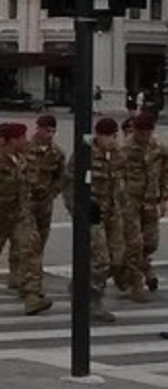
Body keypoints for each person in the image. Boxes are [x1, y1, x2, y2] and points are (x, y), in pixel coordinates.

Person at [0, 122, 52, 315]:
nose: (25, 141)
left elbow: (26, 184)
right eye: (21, 137)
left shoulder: (20, 158)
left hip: (20, 215)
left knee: (30, 249)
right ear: (10, 140)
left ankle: (32, 295)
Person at [63, 117, 125, 322]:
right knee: (101, 260)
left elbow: (120, 182)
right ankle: (93, 301)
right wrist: (79, 211)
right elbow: (69, 186)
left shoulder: (116, 154)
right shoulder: (84, 154)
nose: (113, 140)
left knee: (118, 257)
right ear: (100, 135)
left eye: (115, 136)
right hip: (91, 215)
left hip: (112, 213)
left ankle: (80, 282)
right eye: (110, 136)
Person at [11, 115, 65, 292]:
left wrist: (52, 193)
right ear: (38, 129)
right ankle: (18, 274)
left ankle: (34, 270)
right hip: (25, 202)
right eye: (46, 130)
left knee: (41, 238)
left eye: (52, 131)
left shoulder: (56, 153)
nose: (50, 134)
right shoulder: (24, 149)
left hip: (44, 203)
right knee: (24, 241)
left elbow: (61, 177)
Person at [120, 113, 162, 300]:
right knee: (134, 243)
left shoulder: (157, 146)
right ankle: (136, 285)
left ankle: (146, 266)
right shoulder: (124, 149)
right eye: (142, 133)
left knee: (151, 242)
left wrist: (165, 197)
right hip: (131, 201)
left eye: (148, 132)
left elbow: (165, 170)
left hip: (151, 200)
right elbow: (117, 175)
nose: (145, 136)